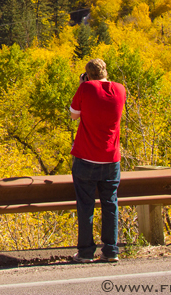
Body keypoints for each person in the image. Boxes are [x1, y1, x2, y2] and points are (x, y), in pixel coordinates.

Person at [69, 57, 126, 263]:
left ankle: (85, 252)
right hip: (111, 158)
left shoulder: (86, 89)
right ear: (105, 72)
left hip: (86, 157)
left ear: (88, 75)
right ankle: (111, 250)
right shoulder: (120, 90)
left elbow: (74, 115)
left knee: (86, 205)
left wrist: (82, 85)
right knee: (110, 203)